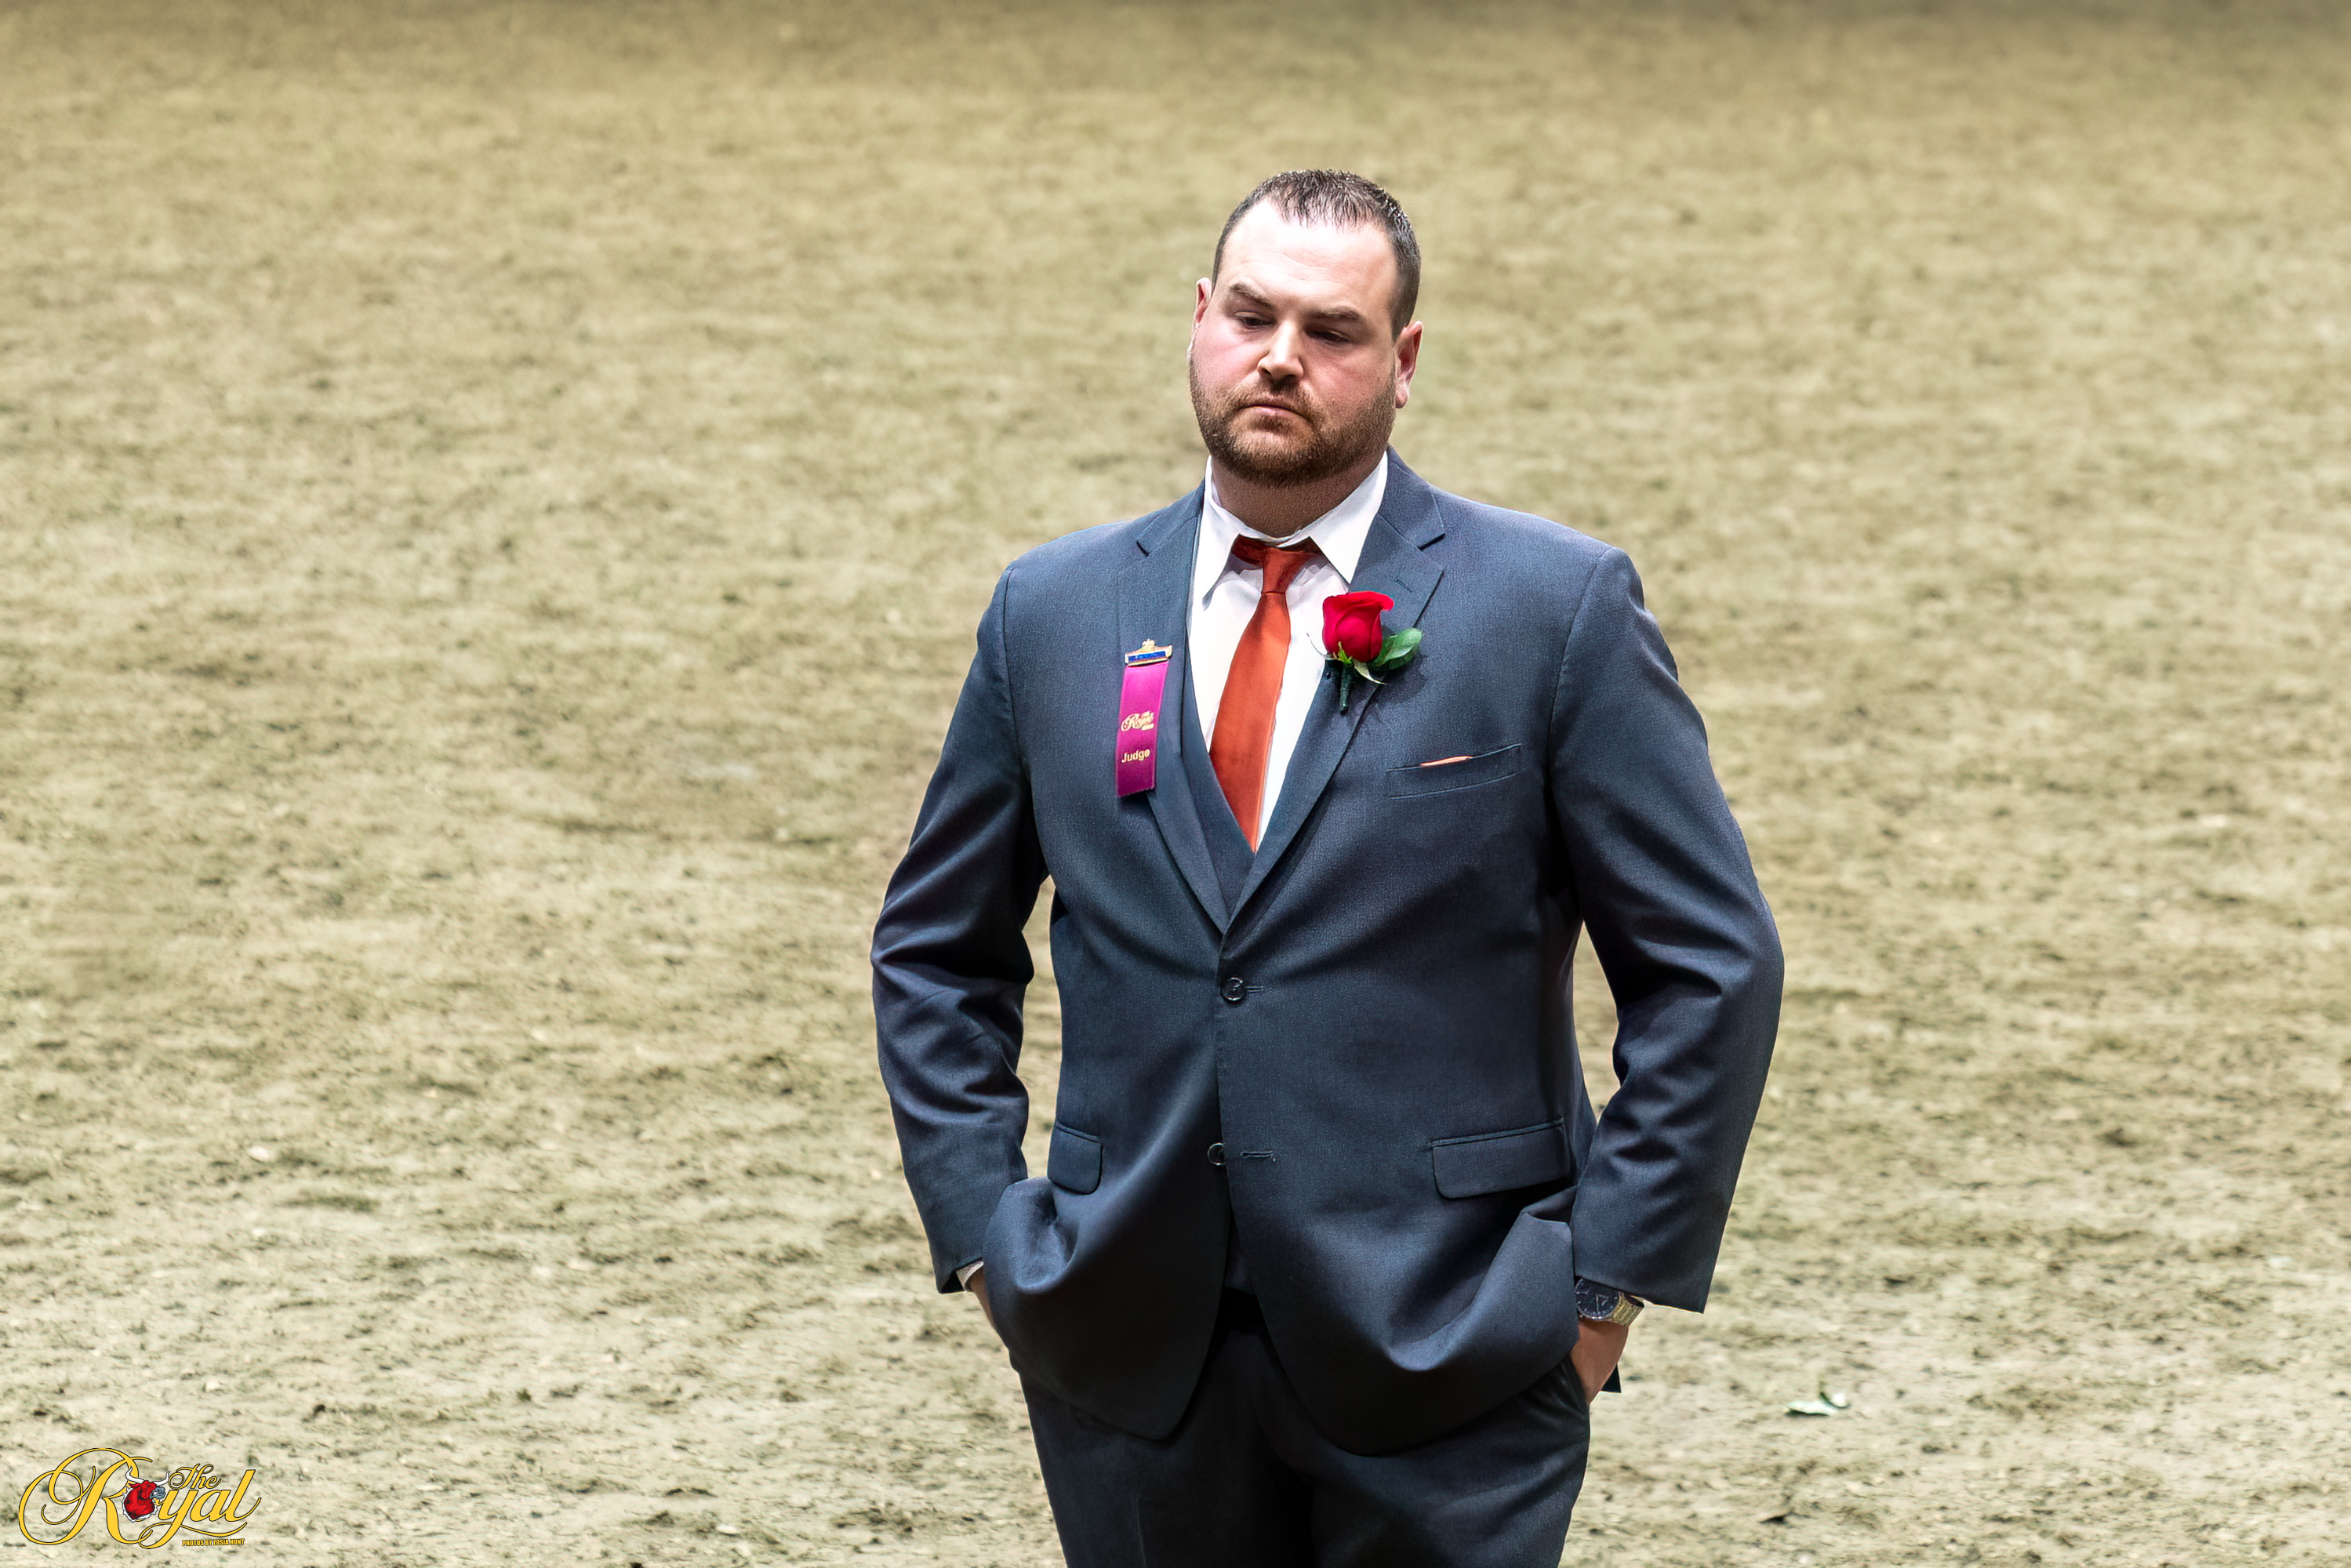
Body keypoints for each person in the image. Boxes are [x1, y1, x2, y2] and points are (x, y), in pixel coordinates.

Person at [872, 170, 1781, 1567]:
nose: (1280, 357)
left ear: (1402, 361)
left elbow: (1711, 964)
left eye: (1332, 330)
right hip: (1126, 1352)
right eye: (1250, 316)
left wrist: (1598, 1290)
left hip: (1455, 1347)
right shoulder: (1049, 612)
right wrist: (992, 1239)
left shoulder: (1553, 610)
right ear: (1199, 318)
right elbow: (935, 952)